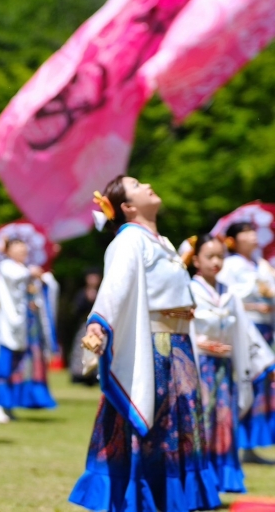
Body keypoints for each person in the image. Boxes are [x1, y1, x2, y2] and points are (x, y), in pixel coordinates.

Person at [69, 176, 220, 512]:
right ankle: (138, 500)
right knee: (151, 422)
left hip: (178, 345)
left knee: (178, 424)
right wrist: (98, 325)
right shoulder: (129, 240)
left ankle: (171, 500)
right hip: (153, 348)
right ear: (127, 206)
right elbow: (115, 286)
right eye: (136, 184)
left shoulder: (161, 242)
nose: (147, 184)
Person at [187, 234, 275, 493]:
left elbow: (247, 331)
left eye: (220, 256)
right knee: (199, 423)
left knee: (223, 422)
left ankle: (221, 480)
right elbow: (181, 329)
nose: (216, 262)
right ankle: (198, 484)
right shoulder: (188, 290)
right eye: (209, 257)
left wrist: (267, 364)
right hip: (197, 367)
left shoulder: (229, 293)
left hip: (223, 369)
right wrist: (202, 344)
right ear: (196, 260)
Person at [217, 222, 275, 463]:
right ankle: (234, 445)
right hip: (245, 328)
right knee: (244, 383)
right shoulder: (230, 265)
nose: (252, 235)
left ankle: (250, 446)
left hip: (266, 328)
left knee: (261, 387)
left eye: (253, 231)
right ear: (233, 239)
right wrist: (254, 305)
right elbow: (224, 297)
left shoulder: (260, 263)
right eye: (246, 232)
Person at [0, 238, 55, 423]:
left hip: (24, 326)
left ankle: (8, 405)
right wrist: (32, 273)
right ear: (8, 251)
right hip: (7, 325)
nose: (21, 252)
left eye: (23, 249)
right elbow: (17, 276)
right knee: (4, 365)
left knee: (16, 367)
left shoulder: (24, 270)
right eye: (17, 248)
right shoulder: (6, 267)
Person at [68, 268, 101, 385]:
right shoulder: (82, 293)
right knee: (81, 350)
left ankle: (96, 375)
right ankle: (79, 374)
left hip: (100, 327)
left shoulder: (102, 293)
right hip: (85, 325)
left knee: (98, 350)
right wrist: (86, 299)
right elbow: (75, 310)